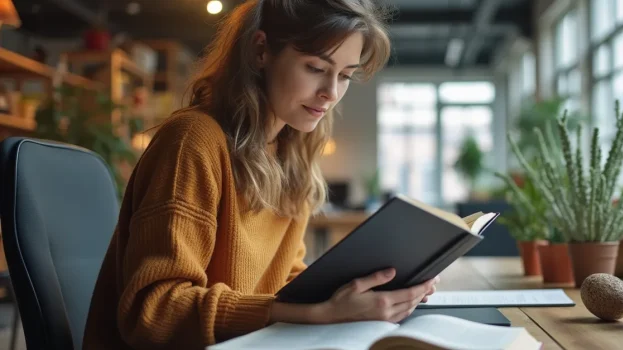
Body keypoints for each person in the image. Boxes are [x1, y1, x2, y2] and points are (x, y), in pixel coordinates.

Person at [81, 0, 439, 349]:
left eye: (344, 76)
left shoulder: (291, 154)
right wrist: (316, 314)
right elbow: (154, 310)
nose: (331, 93)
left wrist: (372, 289)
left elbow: (284, 281)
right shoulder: (193, 141)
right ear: (261, 51)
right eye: (315, 68)